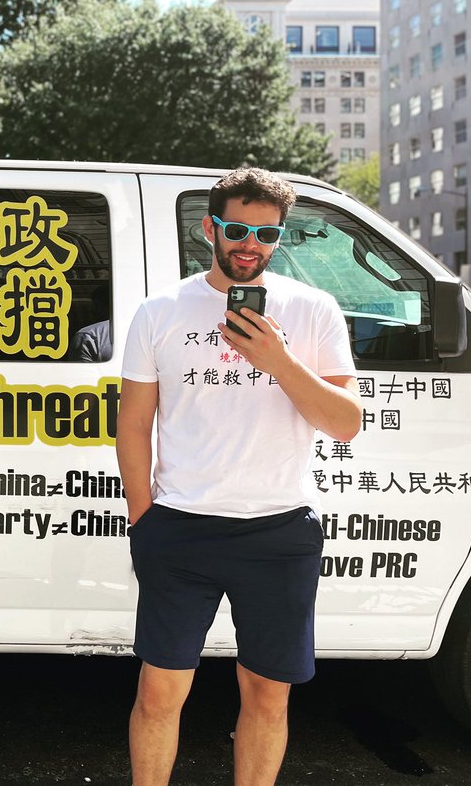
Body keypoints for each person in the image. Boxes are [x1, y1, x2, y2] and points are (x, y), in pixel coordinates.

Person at [116, 167, 362, 786]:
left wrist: (279, 360)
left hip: (279, 531)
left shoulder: (313, 310)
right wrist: (143, 519)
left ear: (279, 237)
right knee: (159, 692)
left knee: (268, 695)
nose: (250, 244)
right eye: (237, 229)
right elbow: (134, 424)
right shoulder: (161, 310)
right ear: (210, 229)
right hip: (180, 527)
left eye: (266, 233)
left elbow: (346, 424)